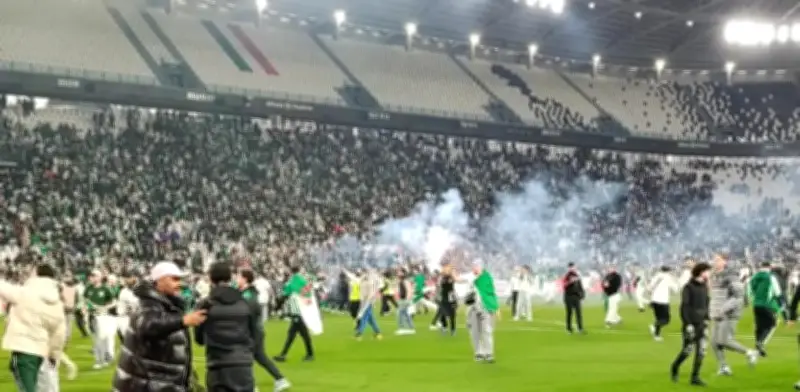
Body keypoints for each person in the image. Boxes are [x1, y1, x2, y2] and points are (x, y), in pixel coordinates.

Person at [112, 261, 208, 392]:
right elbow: (148, 326)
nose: (179, 283)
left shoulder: (165, 304)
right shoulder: (148, 304)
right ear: (159, 280)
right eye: (174, 279)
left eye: (179, 279)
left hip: (157, 382)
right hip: (146, 384)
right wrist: (183, 321)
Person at [0, 263, 66, 392]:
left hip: (23, 350)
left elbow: (3, 287)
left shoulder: (25, 293)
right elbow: (60, 333)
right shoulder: (57, 302)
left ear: (37, 275)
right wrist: (54, 354)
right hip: (42, 352)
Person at [195, 262, 258, 392]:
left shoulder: (205, 305)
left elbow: (199, 339)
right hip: (243, 363)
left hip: (218, 365)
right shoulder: (244, 302)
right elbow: (254, 333)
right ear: (230, 278)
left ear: (211, 279)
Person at [237, 269, 291, 392]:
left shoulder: (248, 295)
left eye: (238, 277)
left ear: (245, 279)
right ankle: (280, 379)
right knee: (261, 358)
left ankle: (251, 386)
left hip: (251, 332)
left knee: (245, 359)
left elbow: (247, 313)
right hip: (255, 331)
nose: (236, 279)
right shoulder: (248, 293)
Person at [709, 253, 758, 376]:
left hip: (729, 313)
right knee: (715, 342)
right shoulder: (715, 275)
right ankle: (724, 367)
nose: (714, 262)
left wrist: (724, 309)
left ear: (725, 262)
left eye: (717, 260)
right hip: (718, 313)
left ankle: (750, 352)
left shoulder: (731, 276)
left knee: (724, 341)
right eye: (714, 260)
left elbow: (738, 296)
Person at [671, 262, 712, 386]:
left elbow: (706, 304)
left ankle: (695, 377)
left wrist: (706, 318)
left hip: (702, 324)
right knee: (688, 350)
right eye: (707, 271)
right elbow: (684, 307)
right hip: (691, 324)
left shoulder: (705, 286)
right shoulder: (688, 287)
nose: (709, 273)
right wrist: (687, 323)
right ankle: (675, 367)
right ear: (701, 272)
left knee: (701, 351)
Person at [274, 266, 315, 362]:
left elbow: (284, 295)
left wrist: (277, 307)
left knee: (300, 334)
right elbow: (309, 294)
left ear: (291, 271)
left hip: (296, 311)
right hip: (302, 310)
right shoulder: (303, 281)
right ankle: (284, 354)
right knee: (295, 334)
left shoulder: (292, 282)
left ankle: (309, 354)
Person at [83, 271, 117, 369]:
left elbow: (114, 301)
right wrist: (84, 309)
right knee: (95, 339)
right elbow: (85, 301)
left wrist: (104, 307)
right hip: (91, 316)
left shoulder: (105, 289)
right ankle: (101, 359)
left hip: (102, 316)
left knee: (101, 339)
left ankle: (101, 360)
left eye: (95, 276)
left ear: (100, 277)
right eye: (92, 276)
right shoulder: (88, 288)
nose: (92, 278)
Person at [466, 262, 498, 363]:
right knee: (474, 332)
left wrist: (495, 307)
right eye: (474, 267)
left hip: (485, 306)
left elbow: (491, 292)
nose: (474, 269)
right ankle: (478, 352)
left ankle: (488, 353)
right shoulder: (470, 277)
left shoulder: (487, 278)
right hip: (472, 307)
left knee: (487, 330)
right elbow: (459, 279)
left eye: (476, 267)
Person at [748, 262, 781, 357]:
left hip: (756, 304)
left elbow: (750, 290)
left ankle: (758, 345)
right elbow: (777, 292)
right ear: (769, 267)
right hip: (766, 304)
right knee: (772, 323)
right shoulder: (771, 277)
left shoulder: (754, 276)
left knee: (759, 325)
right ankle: (760, 342)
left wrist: (754, 298)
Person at [647, 265, 677, 341]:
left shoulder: (656, 276)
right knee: (666, 320)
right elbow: (675, 289)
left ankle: (657, 336)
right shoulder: (668, 277)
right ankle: (654, 326)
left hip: (654, 301)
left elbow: (649, 288)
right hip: (663, 301)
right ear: (668, 271)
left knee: (659, 318)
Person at [353, 268, 383, 340]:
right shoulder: (362, 281)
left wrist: (371, 302)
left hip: (367, 302)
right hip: (364, 301)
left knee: (364, 317)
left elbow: (371, 294)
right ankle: (378, 332)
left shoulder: (370, 282)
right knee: (370, 319)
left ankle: (359, 333)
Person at [563, 262, 585, 334]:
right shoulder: (566, 276)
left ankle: (580, 328)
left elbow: (580, 286)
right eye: (571, 267)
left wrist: (582, 296)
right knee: (569, 313)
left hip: (576, 297)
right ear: (569, 268)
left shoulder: (577, 276)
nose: (573, 268)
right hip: (568, 296)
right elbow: (564, 285)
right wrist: (570, 281)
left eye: (573, 267)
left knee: (578, 313)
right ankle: (569, 329)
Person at [395, 269, 415, 335]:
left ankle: (401, 328)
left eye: (400, 272)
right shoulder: (400, 281)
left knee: (400, 313)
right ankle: (411, 327)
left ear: (403, 274)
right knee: (406, 314)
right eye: (398, 272)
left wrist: (407, 300)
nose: (398, 274)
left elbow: (409, 291)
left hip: (405, 300)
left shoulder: (405, 281)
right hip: (402, 300)